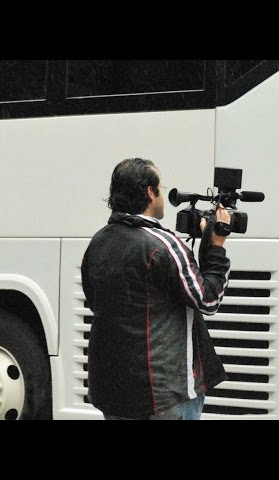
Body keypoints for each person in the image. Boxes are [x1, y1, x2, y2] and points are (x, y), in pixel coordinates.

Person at [81, 157, 231, 420]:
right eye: (161, 188)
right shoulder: (163, 245)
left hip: (113, 393)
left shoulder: (98, 242)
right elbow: (208, 300)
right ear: (150, 192)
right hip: (163, 395)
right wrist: (216, 246)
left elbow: (95, 302)